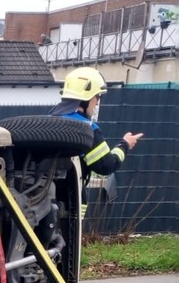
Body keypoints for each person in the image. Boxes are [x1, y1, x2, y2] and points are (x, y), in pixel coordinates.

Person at [50, 67, 143, 216]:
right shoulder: (86, 129)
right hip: (69, 205)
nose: (97, 103)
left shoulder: (46, 122)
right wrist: (124, 144)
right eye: (97, 97)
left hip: (40, 202)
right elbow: (106, 166)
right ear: (87, 98)